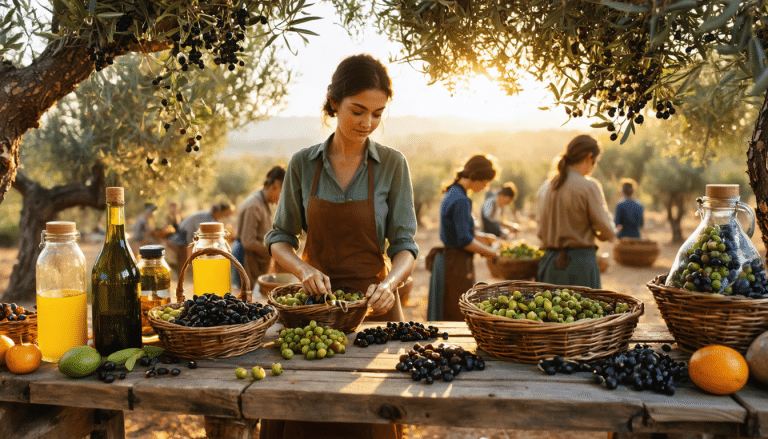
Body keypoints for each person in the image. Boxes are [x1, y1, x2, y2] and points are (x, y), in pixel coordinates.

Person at [263, 53, 418, 439]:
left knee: (370, 420)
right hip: (315, 312)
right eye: (358, 111)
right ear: (334, 102)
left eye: (378, 114)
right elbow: (279, 239)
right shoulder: (303, 164)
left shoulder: (393, 165)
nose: (368, 123)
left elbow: (405, 246)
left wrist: (390, 284)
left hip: (375, 311)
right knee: (305, 416)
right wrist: (303, 269)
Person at [427, 155, 500, 322]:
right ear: (473, 176)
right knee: (455, 313)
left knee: (447, 310)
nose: (485, 187)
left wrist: (483, 237)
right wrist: (491, 253)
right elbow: (464, 240)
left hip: (449, 261)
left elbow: (459, 231)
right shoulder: (461, 200)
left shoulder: (454, 191)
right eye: (484, 181)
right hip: (454, 264)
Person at [536, 134, 615, 289]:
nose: (594, 167)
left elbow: (540, 232)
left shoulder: (548, 186)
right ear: (589, 157)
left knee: (550, 312)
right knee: (584, 312)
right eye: (595, 162)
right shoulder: (589, 186)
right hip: (579, 268)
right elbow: (607, 232)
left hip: (550, 265)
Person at [232, 165, 285, 288]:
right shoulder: (254, 206)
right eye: (282, 193)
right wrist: (274, 251)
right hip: (246, 262)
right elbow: (248, 241)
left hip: (256, 263)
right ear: (274, 187)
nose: (282, 198)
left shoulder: (265, 203)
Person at [167, 201, 235, 270]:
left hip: (189, 239)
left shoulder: (213, 219)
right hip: (181, 236)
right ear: (221, 212)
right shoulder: (205, 218)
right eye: (227, 214)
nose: (227, 216)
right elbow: (199, 236)